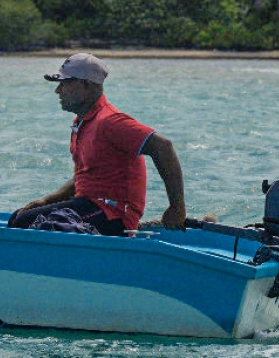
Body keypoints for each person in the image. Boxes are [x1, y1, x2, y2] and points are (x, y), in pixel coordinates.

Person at [9, 52, 186, 235]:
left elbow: (163, 146)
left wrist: (177, 207)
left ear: (86, 84)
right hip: (89, 206)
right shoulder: (82, 123)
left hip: (113, 215)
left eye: (65, 83)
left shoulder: (111, 121)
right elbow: (85, 176)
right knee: (18, 217)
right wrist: (47, 200)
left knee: (27, 221)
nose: (58, 90)